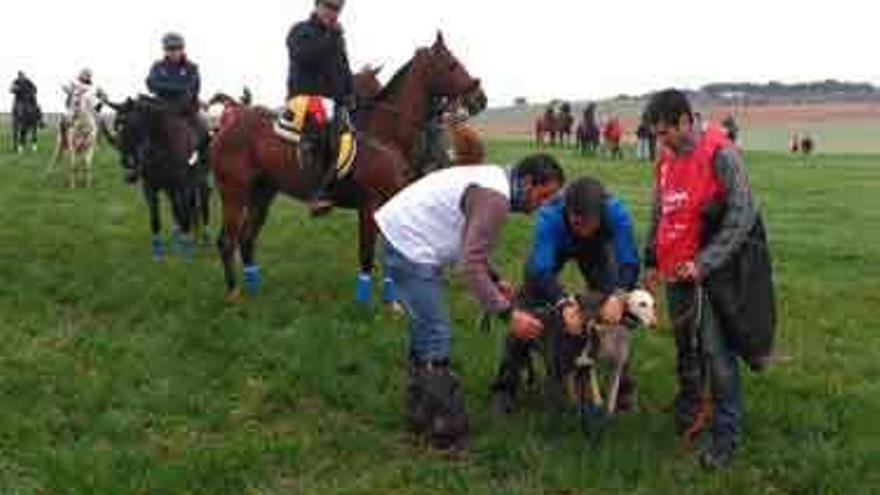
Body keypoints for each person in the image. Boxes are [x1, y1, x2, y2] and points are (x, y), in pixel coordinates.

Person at [376, 153, 566, 450]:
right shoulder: (496, 199)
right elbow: (468, 265)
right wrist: (508, 314)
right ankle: (445, 435)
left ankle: (418, 418)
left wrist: (494, 277)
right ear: (528, 183)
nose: (542, 205)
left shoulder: (496, 179)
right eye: (544, 196)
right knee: (436, 336)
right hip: (408, 244)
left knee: (424, 334)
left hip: (398, 232)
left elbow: (469, 240)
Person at [642, 89, 776, 470]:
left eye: (666, 132)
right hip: (675, 269)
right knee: (685, 345)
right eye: (657, 135)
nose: (662, 142)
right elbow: (661, 207)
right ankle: (690, 407)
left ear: (685, 120)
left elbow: (741, 216)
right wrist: (651, 256)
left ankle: (725, 435)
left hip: (715, 272)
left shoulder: (722, 153)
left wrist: (704, 262)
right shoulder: (666, 157)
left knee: (716, 353)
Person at [490, 176, 641, 413]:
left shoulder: (615, 211)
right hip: (556, 247)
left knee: (615, 310)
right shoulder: (550, 214)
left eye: (587, 223)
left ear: (601, 214)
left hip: (596, 251)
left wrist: (618, 296)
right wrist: (564, 303)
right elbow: (540, 270)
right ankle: (505, 386)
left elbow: (629, 263)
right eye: (575, 222)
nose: (581, 229)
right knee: (526, 308)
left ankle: (622, 385)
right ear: (566, 211)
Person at [280, 0, 355, 215]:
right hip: (305, 97)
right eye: (329, 7)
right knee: (322, 131)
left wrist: (350, 93)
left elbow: (343, 68)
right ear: (317, 5)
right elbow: (306, 57)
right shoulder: (300, 30)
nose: (333, 12)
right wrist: (332, 35)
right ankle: (315, 193)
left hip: (334, 100)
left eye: (338, 9)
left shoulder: (337, 37)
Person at [146, 32, 208, 153]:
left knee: (204, 132)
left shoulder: (192, 67)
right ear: (164, 50)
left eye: (176, 48)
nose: (173, 52)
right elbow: (150, 84)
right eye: (169, 49)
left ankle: (203, 163)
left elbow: (192, 88)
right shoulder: (157, 66)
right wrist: (178, 87)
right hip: (161, 109)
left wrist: (164, 87)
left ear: (182, 49)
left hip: (186, 111)